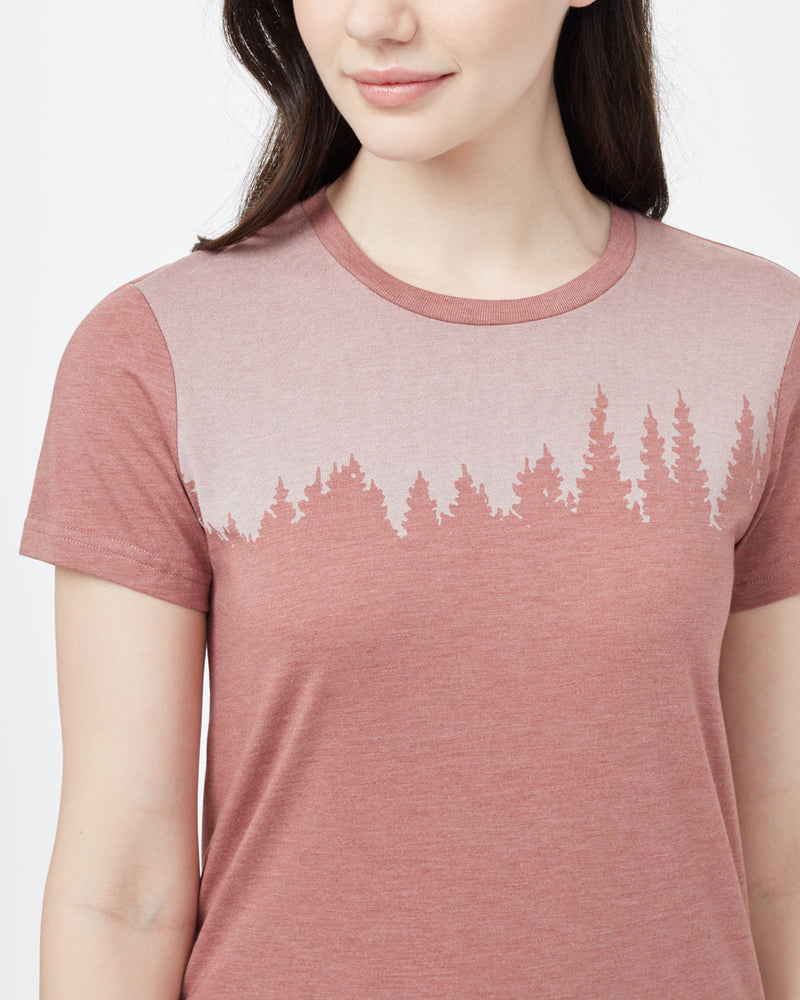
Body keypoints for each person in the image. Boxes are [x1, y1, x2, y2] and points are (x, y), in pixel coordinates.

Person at [18, 0, 800, 997]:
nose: (373, 21)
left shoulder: (758, 342)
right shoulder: (156, 355)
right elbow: (122, 893)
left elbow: (777, 874)